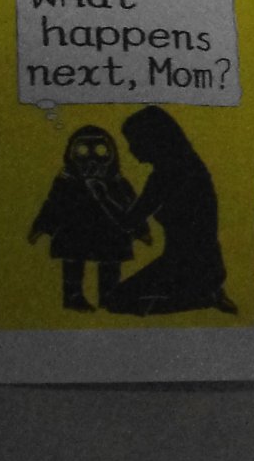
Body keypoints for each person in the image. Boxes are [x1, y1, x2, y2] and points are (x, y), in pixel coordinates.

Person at [102, 107, 235, 316]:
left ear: (152, 140)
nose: (131, 149)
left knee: (115, 302)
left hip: (187, 267)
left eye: (133, 142)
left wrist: (101, 195)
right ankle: (205, 294)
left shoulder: (167, 175)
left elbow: (130, 220)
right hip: (202, 264)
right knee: (119, 299)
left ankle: (203, 298)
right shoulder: (188, 167)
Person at [26, 123, 147, 310]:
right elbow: (53, 205)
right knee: (73, 262)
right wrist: (41, 226)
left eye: (100, 151)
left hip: (109, 231)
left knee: (109, 263)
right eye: (83, 151)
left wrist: (141, 229)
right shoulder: (66, 181)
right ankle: (73, 297)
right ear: (71, 153)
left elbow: (131, 205)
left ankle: (108, 297)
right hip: (75, 231)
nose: (92, 159)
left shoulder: (116, 181)